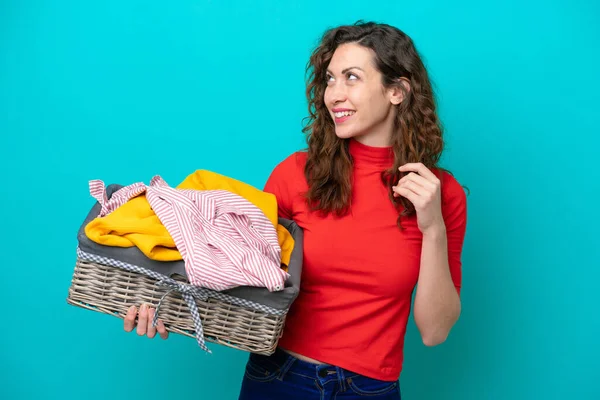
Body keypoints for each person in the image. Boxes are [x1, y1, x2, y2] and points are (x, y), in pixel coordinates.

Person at [123, 20, 467, 399]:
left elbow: (435, 332)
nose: (333, 94)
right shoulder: (296, 175)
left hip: (372, 389)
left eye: (351, 78)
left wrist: (433, 227)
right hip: (279, 379)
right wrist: (165, 302)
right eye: (330, 80)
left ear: (397, 91)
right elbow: (240, 270)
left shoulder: (441, 195)